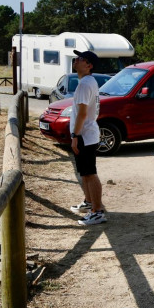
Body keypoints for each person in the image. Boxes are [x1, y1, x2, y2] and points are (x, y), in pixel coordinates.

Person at [68, 50, 107, 226]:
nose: (75, 60)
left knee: (90, 174)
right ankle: (89, 202)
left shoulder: (85, 84)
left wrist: (75, 135)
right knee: (85, 173)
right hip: (86, 134)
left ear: (89, 65)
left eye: (80, 58)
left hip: (85, 135)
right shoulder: (88, 82)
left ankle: (97, 212)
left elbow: (82, 114)